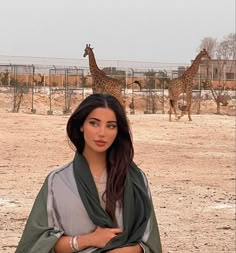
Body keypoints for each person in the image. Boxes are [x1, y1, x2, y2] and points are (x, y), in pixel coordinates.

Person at [15, 93, 162, 253]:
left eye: (111, 126)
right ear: (81, 125)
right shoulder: (57, 181)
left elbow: (149, 241)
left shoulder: (136, 180)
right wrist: (88, 240)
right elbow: (38, 242)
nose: (102, 133)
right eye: (94, 123)